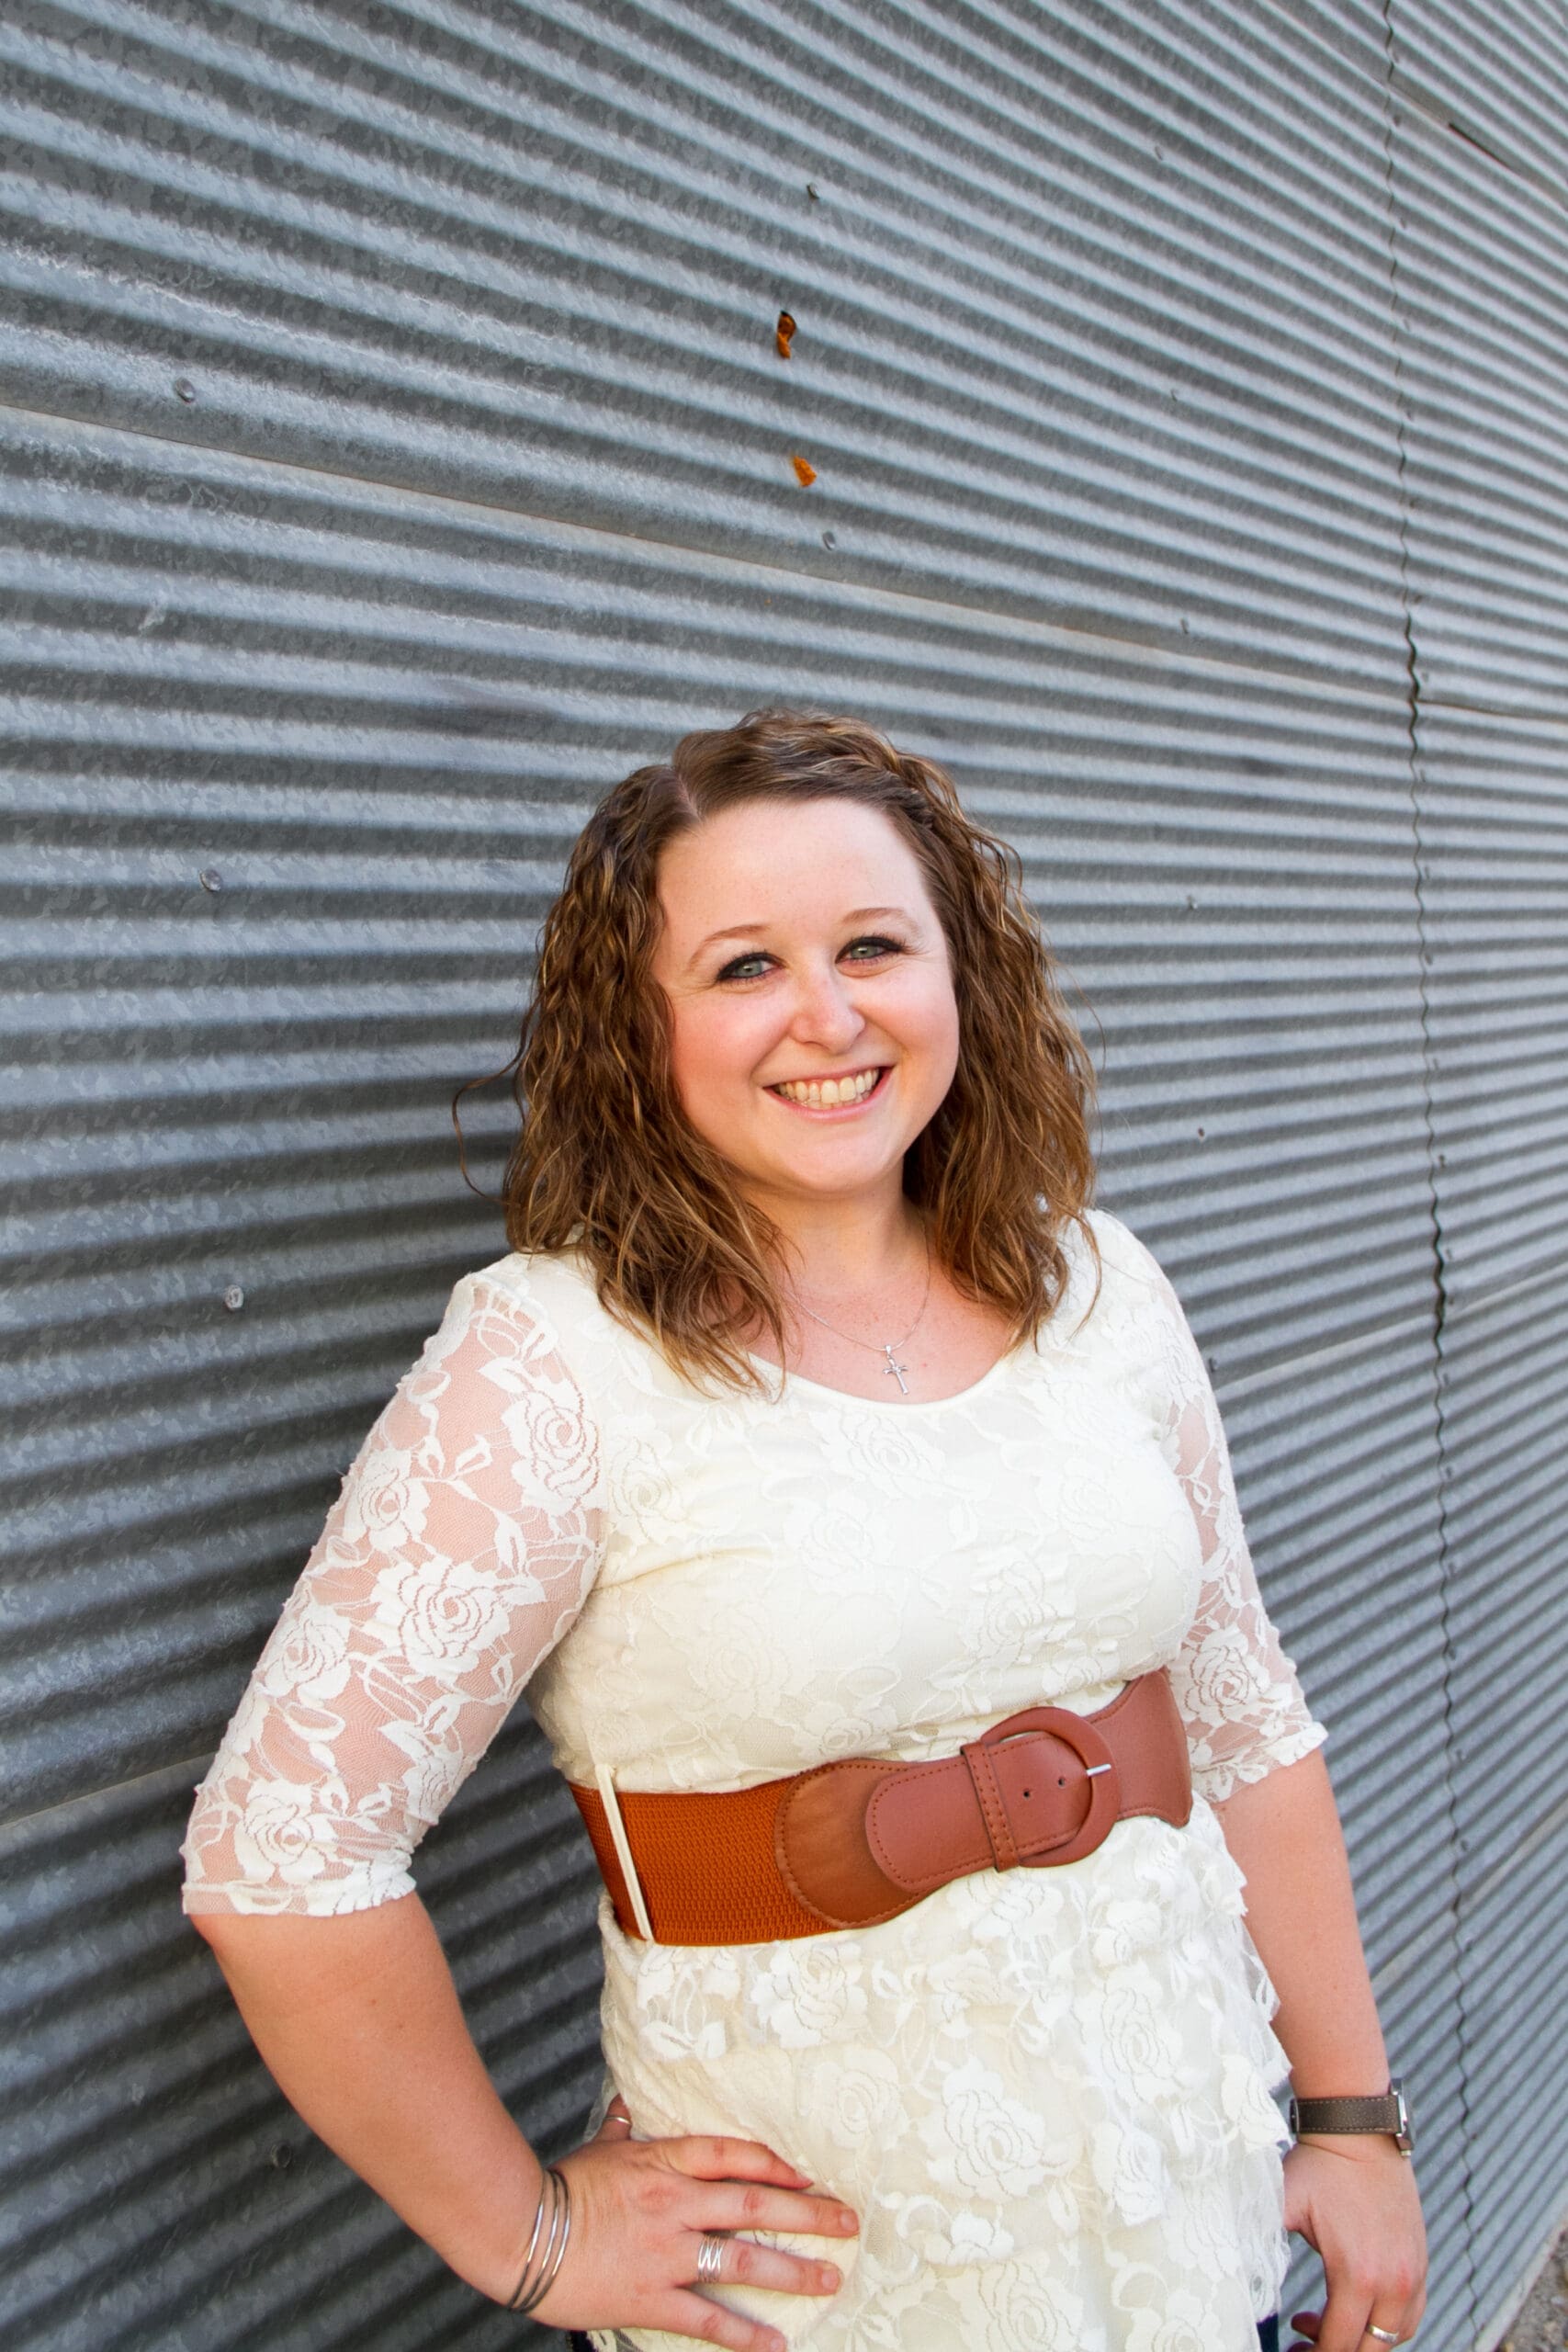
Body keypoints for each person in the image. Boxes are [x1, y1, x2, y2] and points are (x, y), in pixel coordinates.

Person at [182, 711, 1427, 2352]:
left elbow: (1244, 1714)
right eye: (745, 966)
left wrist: (1352, 2120)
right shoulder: (553, 1362)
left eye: (872, 947)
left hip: (1188, 2230)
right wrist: (529, 2238)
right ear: (643, 1027)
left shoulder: (1102, 1289)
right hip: (831, 2292)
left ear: (961, 973)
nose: (828, 1017)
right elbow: (280, 1860)